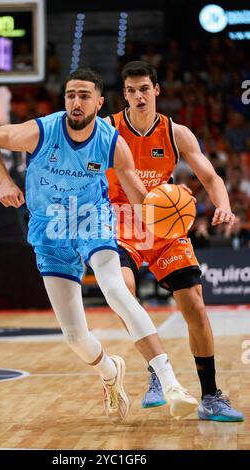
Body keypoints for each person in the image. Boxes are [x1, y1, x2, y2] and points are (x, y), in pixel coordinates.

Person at [0, 68, 198, 424]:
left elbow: (140, 199)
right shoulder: (41, 131)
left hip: (91, 221)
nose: (76, 103)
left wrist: (169, 209)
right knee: (76, 338)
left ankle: (172, 383)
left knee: (116, 290)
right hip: (49, 230)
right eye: (70, 95)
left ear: (98, 102)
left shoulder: (112, 142)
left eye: (84, 96)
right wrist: (3, 181)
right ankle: (111, 373)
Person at [106, 61, 244, 422]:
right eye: (131, 90)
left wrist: (224, 206)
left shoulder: (175, 132)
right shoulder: (107, 130)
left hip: (166, 225)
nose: (138, 96)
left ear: (156, 91)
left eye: (144, 89)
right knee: (122, 289)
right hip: (122, 223)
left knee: (195, 306)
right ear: (124, 95)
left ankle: (211, 396)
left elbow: (211, 177)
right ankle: (157, 371)